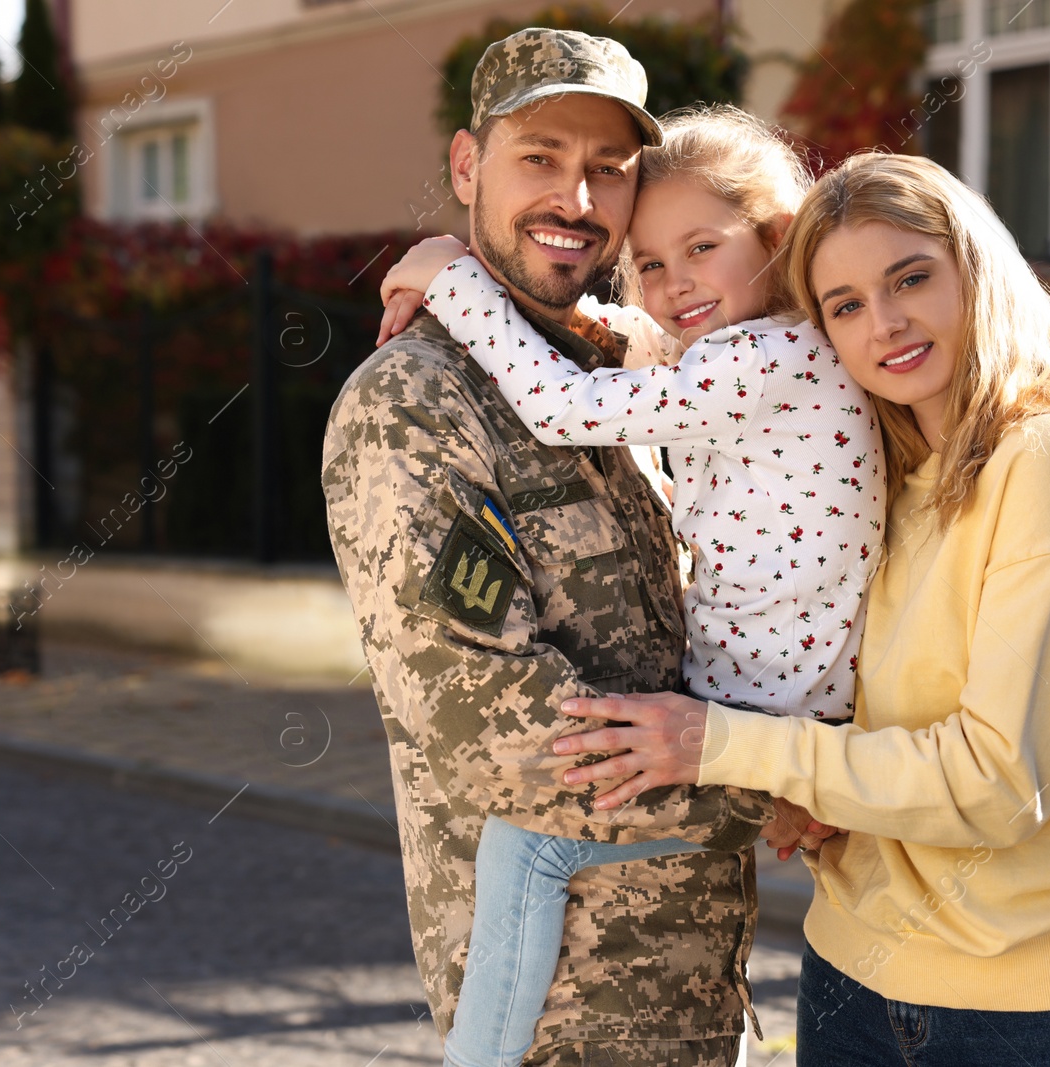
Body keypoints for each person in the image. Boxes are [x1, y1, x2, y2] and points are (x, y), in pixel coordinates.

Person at [548, 153, 1050, 1066]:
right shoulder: (883, 462)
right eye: (845, 305)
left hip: (1045, 1006)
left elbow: (997, 784)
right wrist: (799, 793)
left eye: (911, 279)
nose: (884, 323)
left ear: (977, 269)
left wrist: (723, 741)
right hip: (853, 981)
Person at [322, 30, 811, 1067]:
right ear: (466, 167)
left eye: (607, 171)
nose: (575, 200)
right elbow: (504, 728)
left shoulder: (630, 371)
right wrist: (805, 778)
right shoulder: (412, 402)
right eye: (538, 157)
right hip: (559, 1008)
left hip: (692, 992)